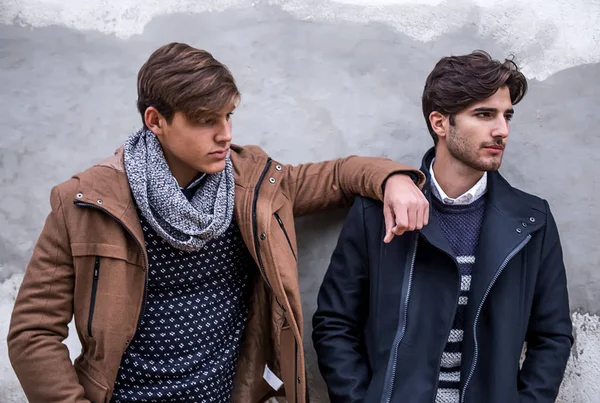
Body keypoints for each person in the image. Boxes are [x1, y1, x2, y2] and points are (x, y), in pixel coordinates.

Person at [7, 42, 429, 403]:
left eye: (228, 116)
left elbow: (337, 175)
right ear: (156, 121)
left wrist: (393, 179)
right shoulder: (87, 202)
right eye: (206, 120)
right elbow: (33, 332)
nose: (225, 134)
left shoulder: (252, 185)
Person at [312, 50, 573, 403]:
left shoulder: (531, 221)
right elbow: (334, 324)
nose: (502, 130)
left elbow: (552, 336)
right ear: (440, 123)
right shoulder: (374, 213)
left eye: (506, 116)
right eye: (484, 115)